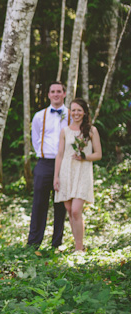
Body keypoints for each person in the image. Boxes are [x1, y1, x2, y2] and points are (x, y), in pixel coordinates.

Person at [53, 98, 102, 253]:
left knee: (75, 210)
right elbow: (59, 155)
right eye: (73, 110)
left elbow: (98, 154)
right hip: (66, 173)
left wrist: (84, 156)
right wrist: (56, 177)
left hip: (82, 172)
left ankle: (80, 249)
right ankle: (77, 245)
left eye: (79, 110)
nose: (76, 113)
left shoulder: (91, 130)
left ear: (85, 112)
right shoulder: (65, 131)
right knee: (69, 210)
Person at [27, 81, 69, 249]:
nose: (56, 94)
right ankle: (34, 243)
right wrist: (44, 155)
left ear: (64, 94)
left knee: (60, 204)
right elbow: (35, 139)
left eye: (59, 91)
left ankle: (56, 243)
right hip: (44, 163)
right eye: (53, 91)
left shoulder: (71, 115)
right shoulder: (39, 116)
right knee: (39, 203)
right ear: (49, 95)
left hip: (65, 164)